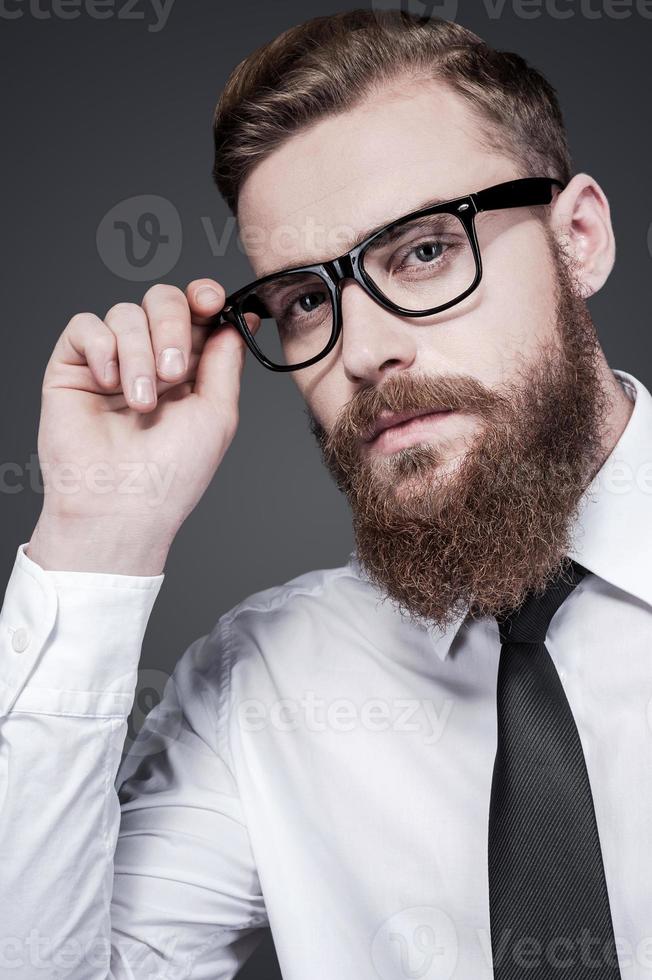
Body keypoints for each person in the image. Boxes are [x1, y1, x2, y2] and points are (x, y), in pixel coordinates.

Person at [0, 8, 648, 979]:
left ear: (580, 239)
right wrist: (98, 531)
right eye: (307, 300)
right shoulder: (258, 685)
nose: (361, 350)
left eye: (424, 250)